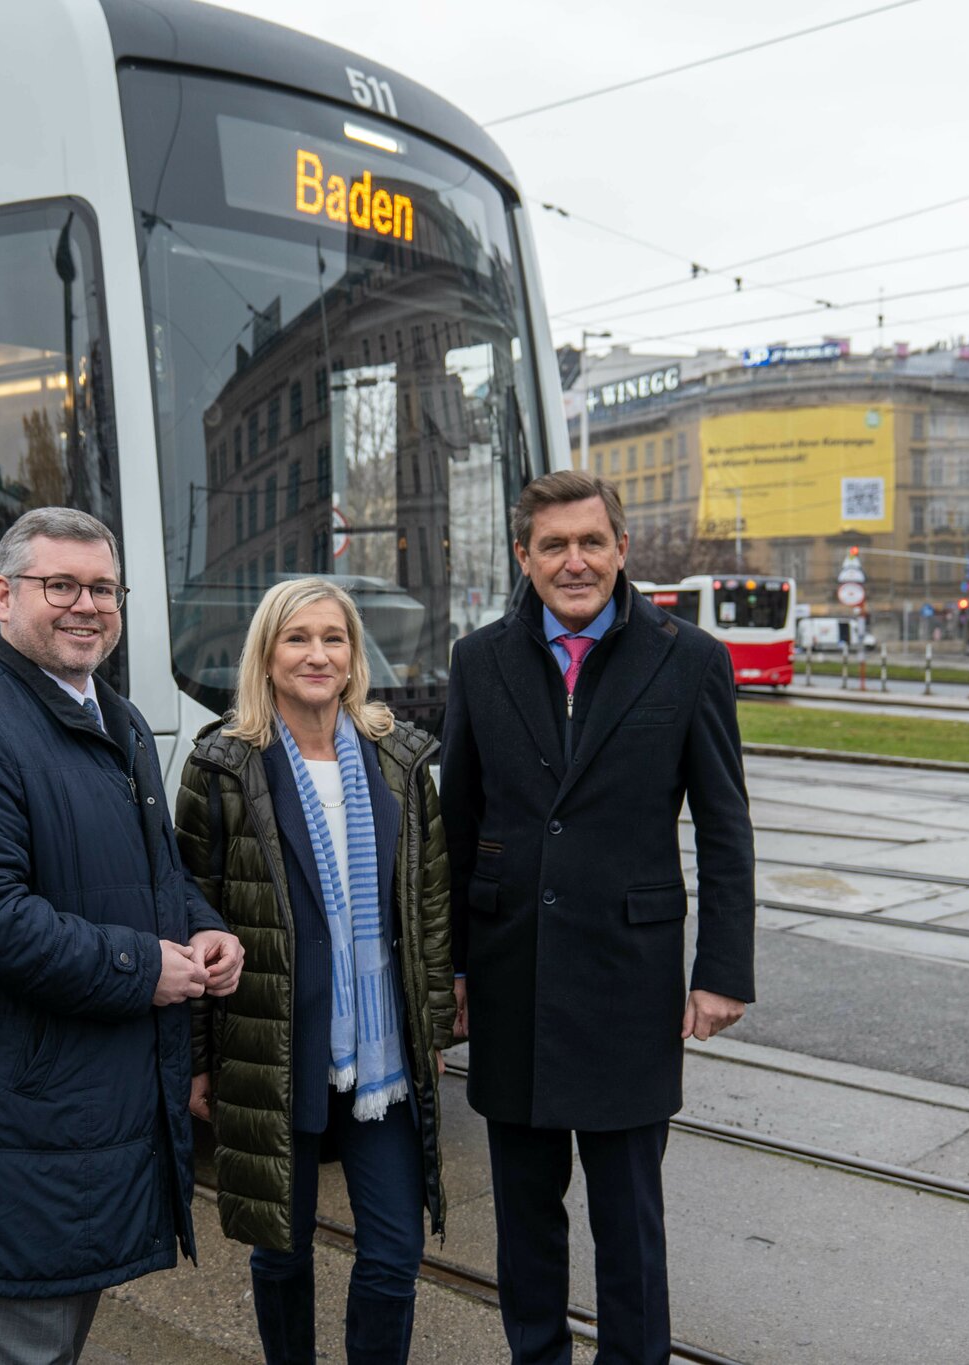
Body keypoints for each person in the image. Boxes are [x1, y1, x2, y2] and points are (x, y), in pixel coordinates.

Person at [0, 507, 245, 1365]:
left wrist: (203, 930)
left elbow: (152, 874)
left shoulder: (111, 716)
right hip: (15, 1136)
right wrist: (138, 968)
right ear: (5, 597)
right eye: (62, 586)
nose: (86, 605)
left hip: (70, 1125)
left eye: (103, 589)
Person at [439, 471, 755, 1365]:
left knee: (629, 1220)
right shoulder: (480, 658)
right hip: (511, 981)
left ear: (622, 550)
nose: (573, 561)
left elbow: (726, 827)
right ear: (524, 557)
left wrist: (723, 968)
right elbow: (456, 829)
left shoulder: (687, 657)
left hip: (629, 982)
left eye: (590, 543)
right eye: (553, 546)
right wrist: (452, 969)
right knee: (525, 1220)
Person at [174, 577, 455, 1365]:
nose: (317, 654)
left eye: (333, 638)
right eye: (297, 638)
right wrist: (197, 1058)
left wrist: (430, 1025)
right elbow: (191, 915)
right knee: (281, 1250)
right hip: (271, 1041)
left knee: (396, 1252)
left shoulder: (401, 760)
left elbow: (431, 908)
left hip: (384, 1050)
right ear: (266, 656)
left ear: (354, 655)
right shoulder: (222, 767)